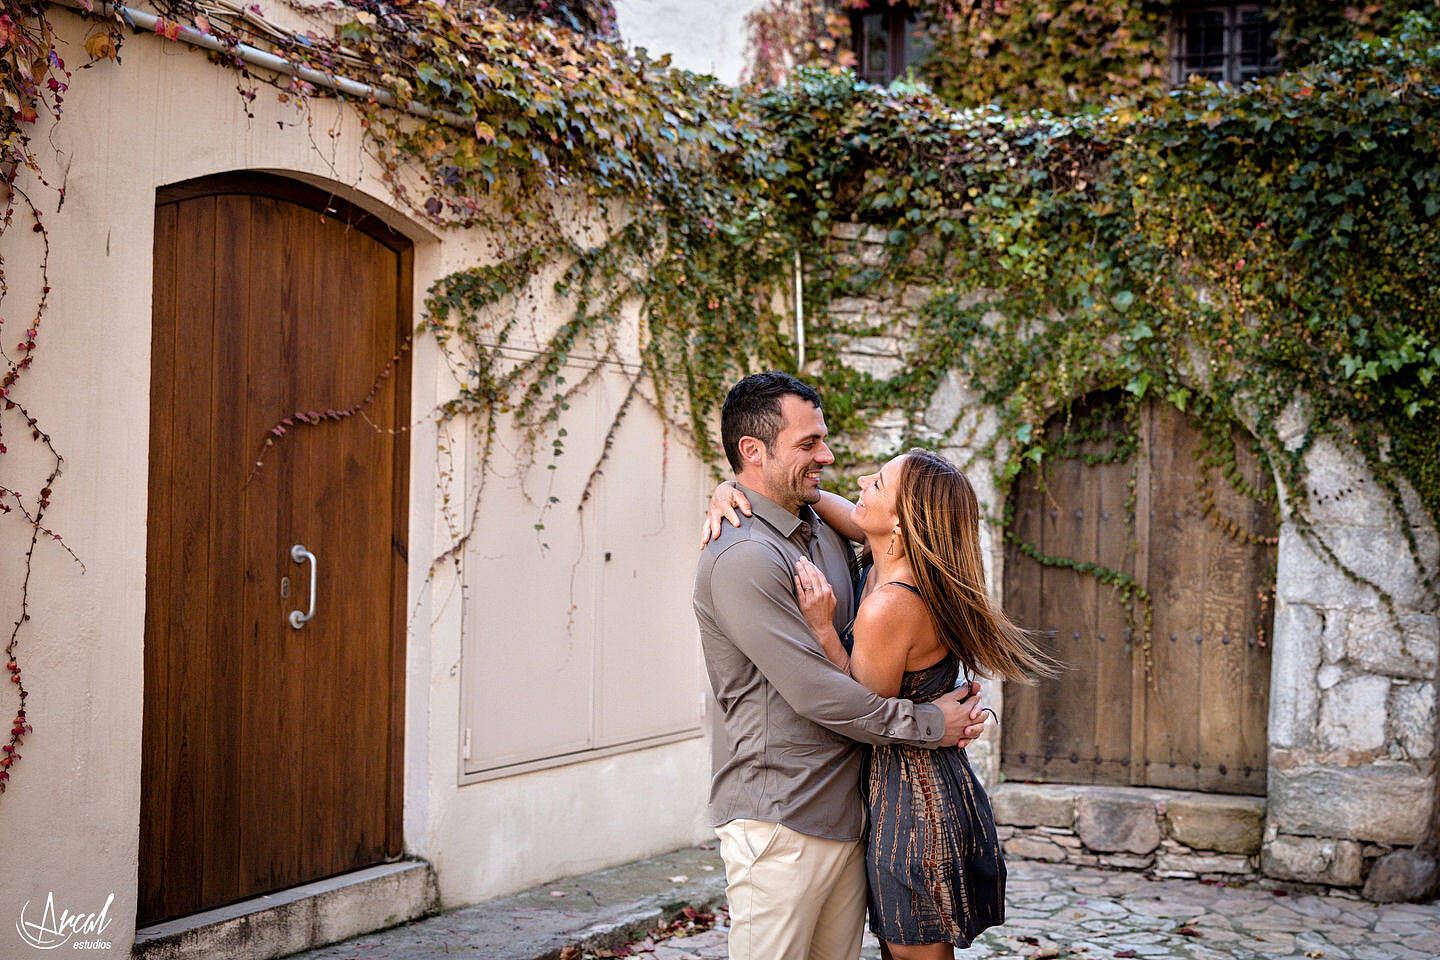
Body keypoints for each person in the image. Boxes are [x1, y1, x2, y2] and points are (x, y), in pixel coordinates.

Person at [704, 444, 1059, 959]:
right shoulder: (886, 557)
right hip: (905, 788)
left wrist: (825, 631)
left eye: (878, 483)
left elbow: (861, 706)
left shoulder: (890, 603)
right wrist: (734, 490)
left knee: (914, 953)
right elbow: (821, 499)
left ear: (899, 522)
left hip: (912, 802)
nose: (863, 480)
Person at [693, 372, 989, 960]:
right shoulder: (745, 557)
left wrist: (731, 487)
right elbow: (818, 695)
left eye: (822, 439)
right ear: (753, 451)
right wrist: (931, 724)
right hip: (781, 822)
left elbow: (904, 526)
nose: (827, 456)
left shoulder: (822, 530)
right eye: (808, 444)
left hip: (850, 814)